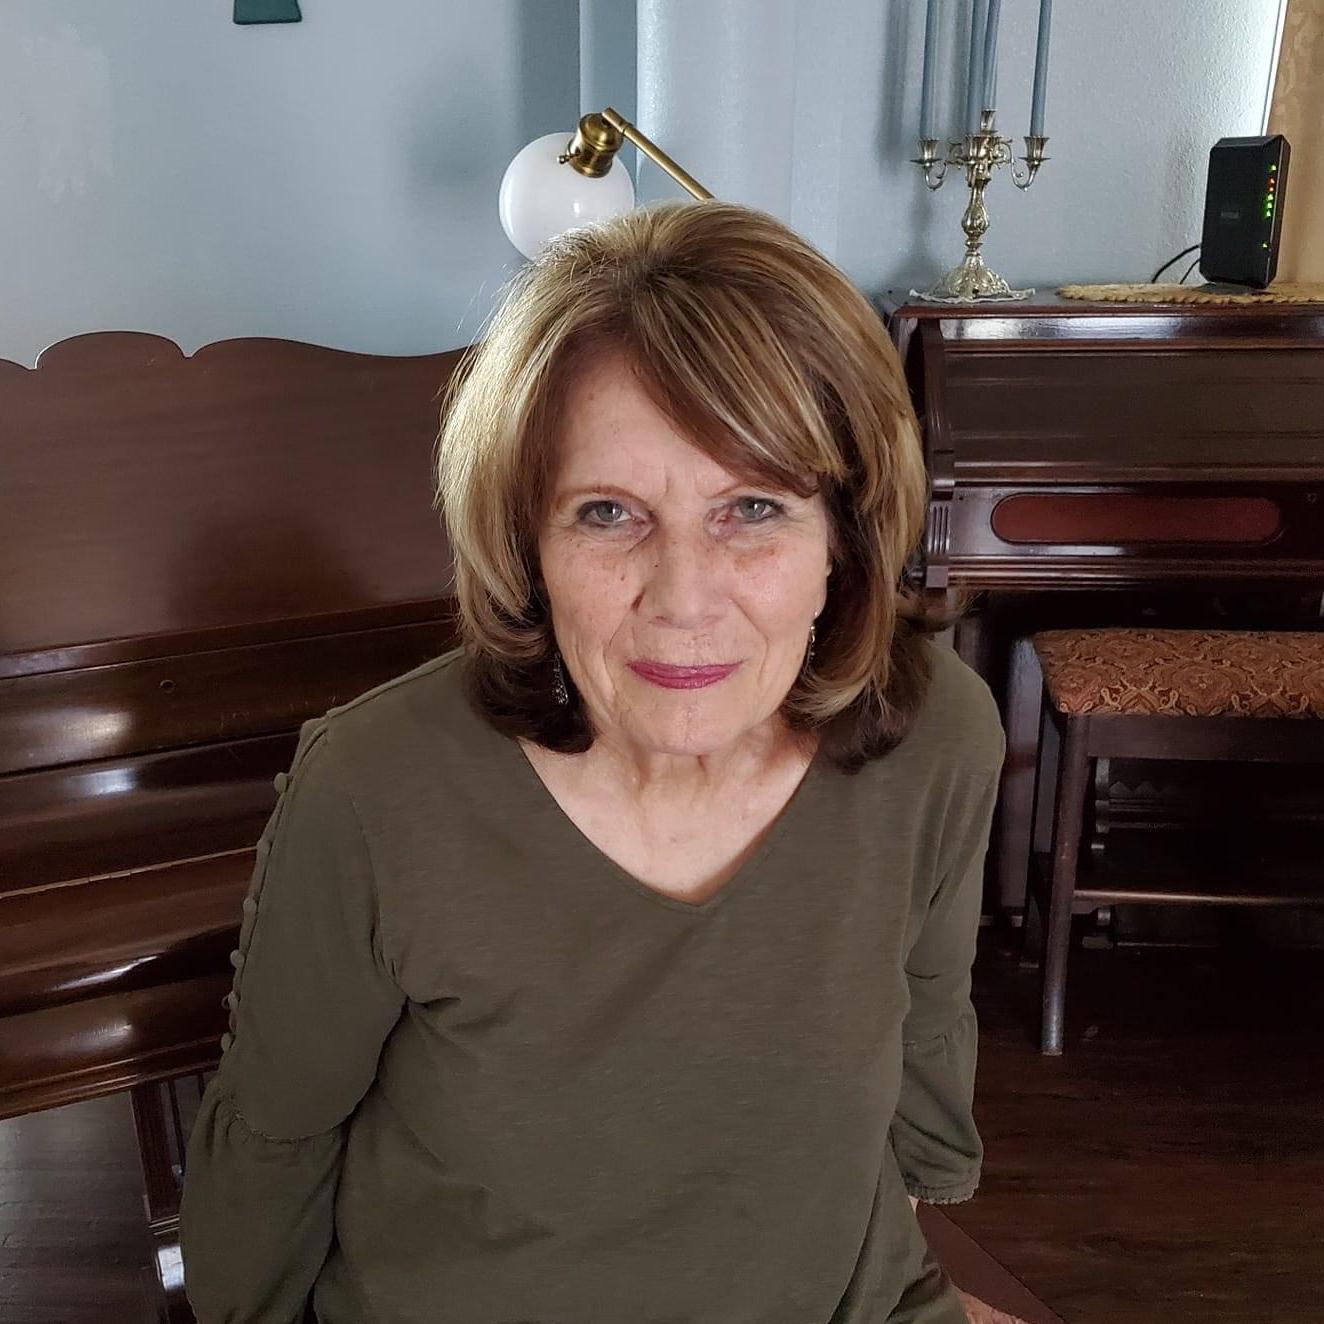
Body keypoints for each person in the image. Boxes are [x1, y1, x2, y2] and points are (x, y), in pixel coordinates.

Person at [179, 199, 1008, 1324]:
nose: (683, 600)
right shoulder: (373, 789)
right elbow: (275, 1140)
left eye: (752, 507)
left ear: (845, 540)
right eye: (609, 512)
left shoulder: (937, 737)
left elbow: (926, 1018)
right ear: (528, 541)